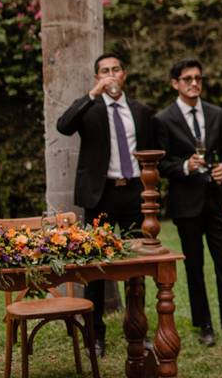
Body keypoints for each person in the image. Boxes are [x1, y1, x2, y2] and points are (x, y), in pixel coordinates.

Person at [56, 53, 155, 357]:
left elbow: (152, 151)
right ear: (97, 77)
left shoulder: (140, 111)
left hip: (133, 194)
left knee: (136, 266)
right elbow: (63, 126)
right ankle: (95, 336)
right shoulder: (89, 109)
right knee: (95, 267)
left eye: (115, 70)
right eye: (104, 72)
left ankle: (137, 332)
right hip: (101, 195)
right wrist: (92, 94)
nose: (110, 75)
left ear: (124, 74)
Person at [154, 58, 222, 348]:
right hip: (186, 203)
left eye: (198, 77)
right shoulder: (163, 119)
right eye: (187, 79)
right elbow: (162, 165)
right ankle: (205, 326)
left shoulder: (216, 113)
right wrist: (185, 166)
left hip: (217, 199)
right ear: (175, 83)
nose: (194, 83)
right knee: (194, 266)